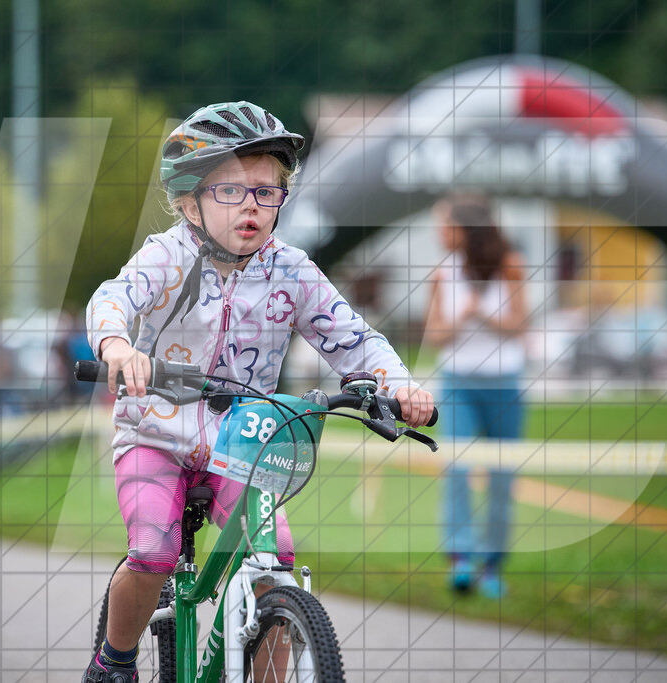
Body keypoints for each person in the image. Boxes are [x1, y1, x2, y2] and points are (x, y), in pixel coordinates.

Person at [81, 101, 435, 682]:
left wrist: (397, 384)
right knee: (153, 552)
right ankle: (113, 660)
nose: (252, 205)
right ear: (189, 200)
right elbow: (113, 299)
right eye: (231, 192)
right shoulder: (166, 258)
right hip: (156, 436)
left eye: (267, 192)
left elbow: (354, 341)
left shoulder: (292, 271)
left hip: (244, 440)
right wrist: (119, 348)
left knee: (275, 564)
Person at [422, 194, 528, 599]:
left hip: (504, 384)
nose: (438, 233)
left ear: (463, 231)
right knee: (458, 471)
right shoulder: (441, 274)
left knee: (502, 477)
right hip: (458, 383)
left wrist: (481, 313)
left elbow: (520, 325)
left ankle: (491, 565)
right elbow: (434, 335)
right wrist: (460, 319)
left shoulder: (510, 266)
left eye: (443, 224)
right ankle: (460, 558)